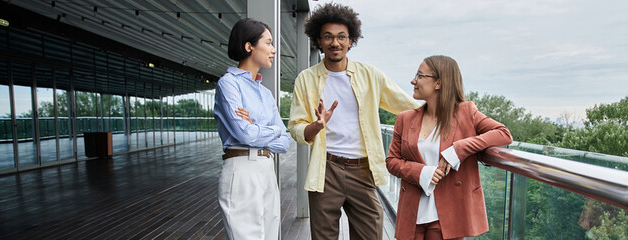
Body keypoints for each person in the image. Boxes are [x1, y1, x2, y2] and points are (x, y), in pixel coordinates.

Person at [287, 3, 420, 240]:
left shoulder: (369, 75)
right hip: (325, 169)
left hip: (362, 169)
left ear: (351, 41)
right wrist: (315, 126)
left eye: (341, 37)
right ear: (318, 40)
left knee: (371, 234)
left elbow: (406, 104)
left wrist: (449, 108)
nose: (335, 43)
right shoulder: (305, 79)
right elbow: (296, 127)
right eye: (328, 37)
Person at [386, 55, 513, 240]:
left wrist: (457, 150)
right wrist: (422, 172)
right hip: (412, 214)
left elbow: (503, 133)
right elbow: (392, 161)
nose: (413, 80)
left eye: (420, 75)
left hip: (446, 217)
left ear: (439, 83)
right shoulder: (405, 118)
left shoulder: (466, 112)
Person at [213, 18, 290, 240]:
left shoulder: (265, 94)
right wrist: (270, 130)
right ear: (249, 46)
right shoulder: (228, 84)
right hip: (241, 169)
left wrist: (258, 128)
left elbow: (284, 142)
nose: (274, 49)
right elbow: (243, 133)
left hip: (267, 169)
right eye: (268, 43)